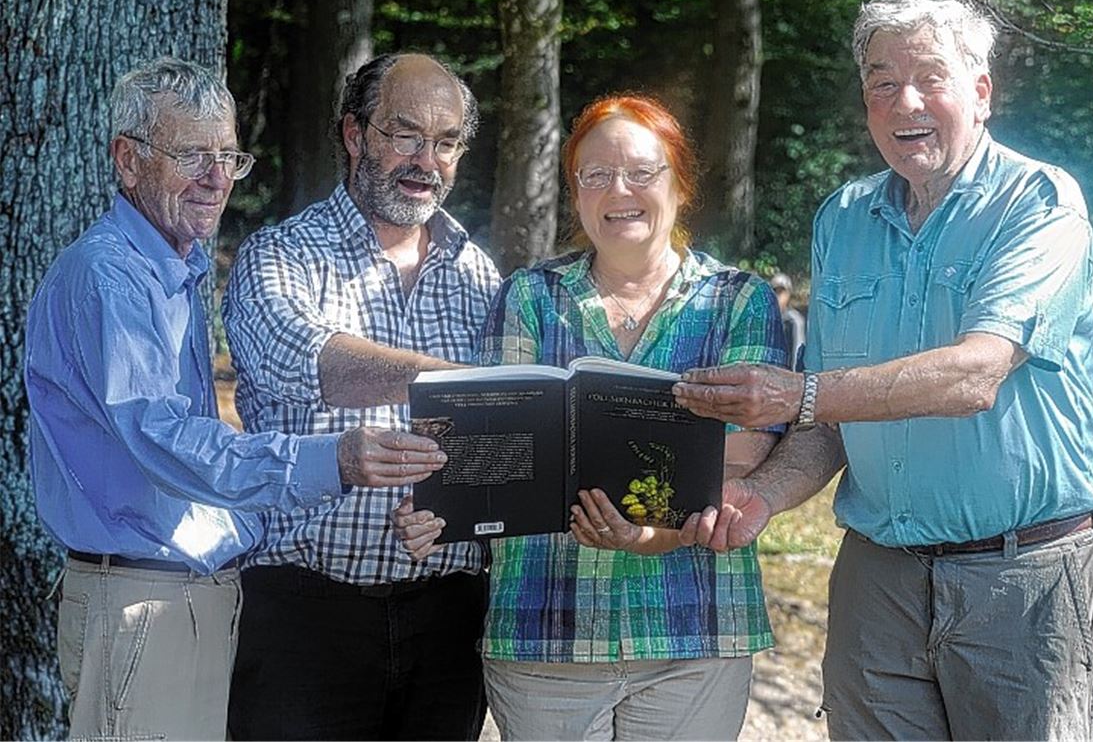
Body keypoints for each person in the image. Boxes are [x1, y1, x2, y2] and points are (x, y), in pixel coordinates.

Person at [673, 0, 1093, 741]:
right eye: (881, 82)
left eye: (930, 78)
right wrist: (764, 493)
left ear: (980, 91)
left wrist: (800, 392)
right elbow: (834, 415)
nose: (904, 101)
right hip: (878, 580)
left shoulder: (1039, 204)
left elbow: (975, 374)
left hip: (1023, 580)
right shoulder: (843, 219)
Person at [23, 57, 441, 742]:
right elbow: (164, 439)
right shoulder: (110, 277)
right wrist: (330, 460)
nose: (217, 178)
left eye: (228, 156)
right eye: (192, 155)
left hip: (187, 598)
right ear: (127, 160)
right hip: (144, 602)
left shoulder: (174, 267)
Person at [396, 94, 788, 741]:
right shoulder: (530, 295)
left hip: (691, 629)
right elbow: (492, 454)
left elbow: (738, 462)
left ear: (679, 183)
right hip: (544, 628)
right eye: (595, 174)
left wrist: (650, 535)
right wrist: (440, 507)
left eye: (642, 172)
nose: (619, 190)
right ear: (575, 192)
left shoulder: (737, 301)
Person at [221, 53, 500, 740]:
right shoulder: (281, 255)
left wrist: (456, 511)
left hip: (450, 617)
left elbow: (505, 442)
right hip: (304, 614)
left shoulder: (482, 276)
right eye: (404, 134)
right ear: (354, 135)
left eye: (445, 142)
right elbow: (309, 361)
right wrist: (463, 384)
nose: (425, 161)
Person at [769, 271, 805, 368]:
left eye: (781, 292)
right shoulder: (766, 320)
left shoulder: (794, 320)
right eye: (775, 292)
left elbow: (798, 350)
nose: (778, 297)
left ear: (788, 294)